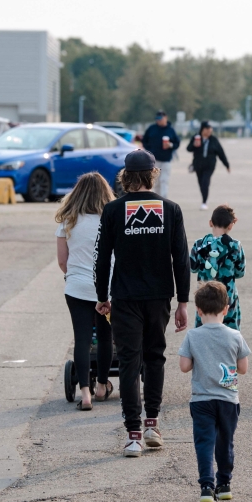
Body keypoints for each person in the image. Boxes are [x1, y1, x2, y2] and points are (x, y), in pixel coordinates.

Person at [94, 149, 190, 457]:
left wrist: (101, 296)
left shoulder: (113, 210)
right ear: (153, 174)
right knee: (155, 358)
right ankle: (152, 425)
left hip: (125, 296)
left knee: (129, 362)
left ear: (125, 177)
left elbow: (101, 257)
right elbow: (181, 259)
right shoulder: (170, 209)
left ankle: (133, 435)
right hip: (159, 295)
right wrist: (183, 301)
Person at [178, 281, 250, 502]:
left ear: (198, 310)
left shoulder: (193, 336)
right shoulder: (235, 335)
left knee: (204, 442)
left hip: (202, 400)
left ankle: (207, 487)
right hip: (228, 400)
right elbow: (243, 368)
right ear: (226, 309)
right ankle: (225, 484)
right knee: (225, 442)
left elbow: (184, 366)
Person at [55, 172, 116, 411]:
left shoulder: (68, 220)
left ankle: (85, 393)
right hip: (107, 288)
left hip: (77, 286)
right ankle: (101, 386)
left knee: (81, 338)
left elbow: (63, 261)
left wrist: (73, 275)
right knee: (105, 337)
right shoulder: (111, 219)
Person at [189, 205, 245, 330]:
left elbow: (192, 267)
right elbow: (240, 272)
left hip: (205, 296)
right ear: (230, 225)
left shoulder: (199, 244)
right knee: (231, 331)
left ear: (210, 223)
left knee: (202, 329)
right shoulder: (235, 246)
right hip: (227, 296)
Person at [186, 121, 230, 210]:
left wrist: (227, 165)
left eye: (210, 128)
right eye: (207, 128)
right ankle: (204, 198)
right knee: (201, 183)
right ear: (202, 129)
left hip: (209, 166)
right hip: (198, 165)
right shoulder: (196, 138)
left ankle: (204, 202)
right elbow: (188, 148)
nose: (209, 130)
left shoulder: (213, 140)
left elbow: (221, 153)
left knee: (205, 182)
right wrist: (194, 145)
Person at [141, 111, 180, 198]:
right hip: (153, 160)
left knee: (164, 180)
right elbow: (144, 140)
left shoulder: (170, 130)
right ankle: (157, 199)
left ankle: (164, 198)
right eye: (157, 119)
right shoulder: (152, 128)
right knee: (155, 182)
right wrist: (149, 150)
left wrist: (170, 145)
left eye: (160, 119)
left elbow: (177, 143)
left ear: (165, 118)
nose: (158, 121)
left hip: (166, 160)